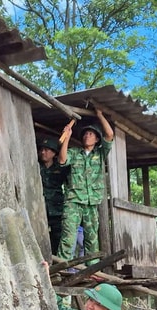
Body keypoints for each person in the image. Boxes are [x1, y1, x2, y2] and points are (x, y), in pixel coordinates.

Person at [56, 108, 114, 260]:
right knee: (68, 236)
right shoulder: (75, 153)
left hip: (91, 202)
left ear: (96, 139)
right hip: (73, 201)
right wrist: (67, 137)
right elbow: (62, 160)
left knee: (92, 238)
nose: (87, 136)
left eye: (91, 134)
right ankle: (63, 269)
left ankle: (92, 269)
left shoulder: (100, 154)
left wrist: (100, 114)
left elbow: (110, 135)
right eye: (85, 134)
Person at [37, 137, 70, 253]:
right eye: (41, 150)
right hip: (39, 208)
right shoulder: (36, 166)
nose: (43, 152)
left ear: (54, 153)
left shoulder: (61, 168)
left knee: (58, 237)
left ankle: (57, 264)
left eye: (46, 150)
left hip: (56, 208)